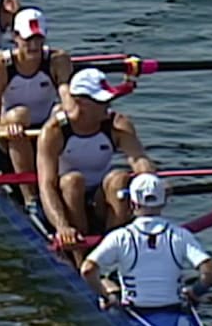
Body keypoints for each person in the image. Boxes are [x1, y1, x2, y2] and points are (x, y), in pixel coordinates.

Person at [36, 68, 156, 264]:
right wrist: (62, 227)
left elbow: (139, 160)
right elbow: (46, 186)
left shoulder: (118, 124)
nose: (108, 105)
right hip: (67, 195)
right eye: (102, 101)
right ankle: (80, 257)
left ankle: (113, 251)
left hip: (101, 198)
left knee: (119, 178)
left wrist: (152, 182)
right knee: (73, 181)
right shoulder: (54, 131)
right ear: (81, 103)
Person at [80, 173, 212, 326]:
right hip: (175, 308)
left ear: (132, 204)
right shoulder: (180, 235)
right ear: (164, 202)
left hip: (134, 311)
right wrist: (195, 292)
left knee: (106, 281)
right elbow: (210, 271)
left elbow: (88, 270)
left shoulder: (120, 237)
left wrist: (106, 297)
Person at [0, 7, 72, 205]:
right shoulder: (1, 66)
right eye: (28, 40)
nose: (34, 46)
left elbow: (66, 97)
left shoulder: (58, 60)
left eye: (39, 39)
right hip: (10, 135)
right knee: (19, 115)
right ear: (15, 37)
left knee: (62, 112)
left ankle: (62, 186)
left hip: (44, 132)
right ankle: (30, 197)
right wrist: (6, 129)